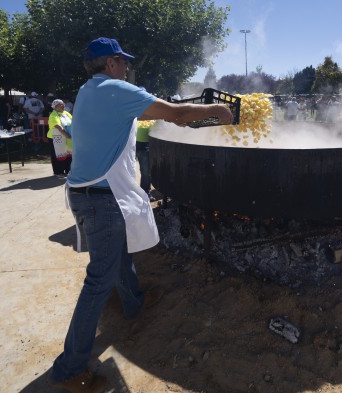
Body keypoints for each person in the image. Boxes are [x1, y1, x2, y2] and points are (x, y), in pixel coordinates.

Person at [49, 37, 232, 393]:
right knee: (98, 281)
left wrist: (181, 116)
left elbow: (168, 116)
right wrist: (216, 112)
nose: (127, 67)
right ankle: (69, 368)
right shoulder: (115, 89)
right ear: (112, 62)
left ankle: (133, 301)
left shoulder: (89, 90)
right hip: (100, 198)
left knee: (117, 255)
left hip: (88, 193)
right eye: (123, 61)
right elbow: (177, 114)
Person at [47, 99, 72, 177]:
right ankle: (58, 172)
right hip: (55, 138)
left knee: (68, 153)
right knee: (58, 155)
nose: (63, 105)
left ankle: (68, 170)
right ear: (55, 106)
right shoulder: (53, 115)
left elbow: (73, 121)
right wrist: (66, 134)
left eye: (63, 104)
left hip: (66, 137)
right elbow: (57, 126)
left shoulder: (66, 113)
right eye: (60, 104)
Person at [136, 118, 155, 200]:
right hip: (134, 147)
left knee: (146, 172)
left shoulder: (153, 120)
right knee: (145, 172)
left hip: (145, 148)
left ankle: (145, 193)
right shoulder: (135, 119)